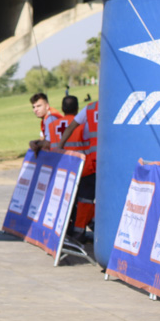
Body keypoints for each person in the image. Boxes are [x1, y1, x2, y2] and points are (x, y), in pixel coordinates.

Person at [52, 99, 98, 241]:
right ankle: (91, 226)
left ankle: (82, 229)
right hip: (108, 162)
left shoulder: (90, 108)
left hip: (90, 162)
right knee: (87, 199)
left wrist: (60, 146)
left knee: (84, 199)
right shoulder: (116, 103)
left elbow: (71, 127)